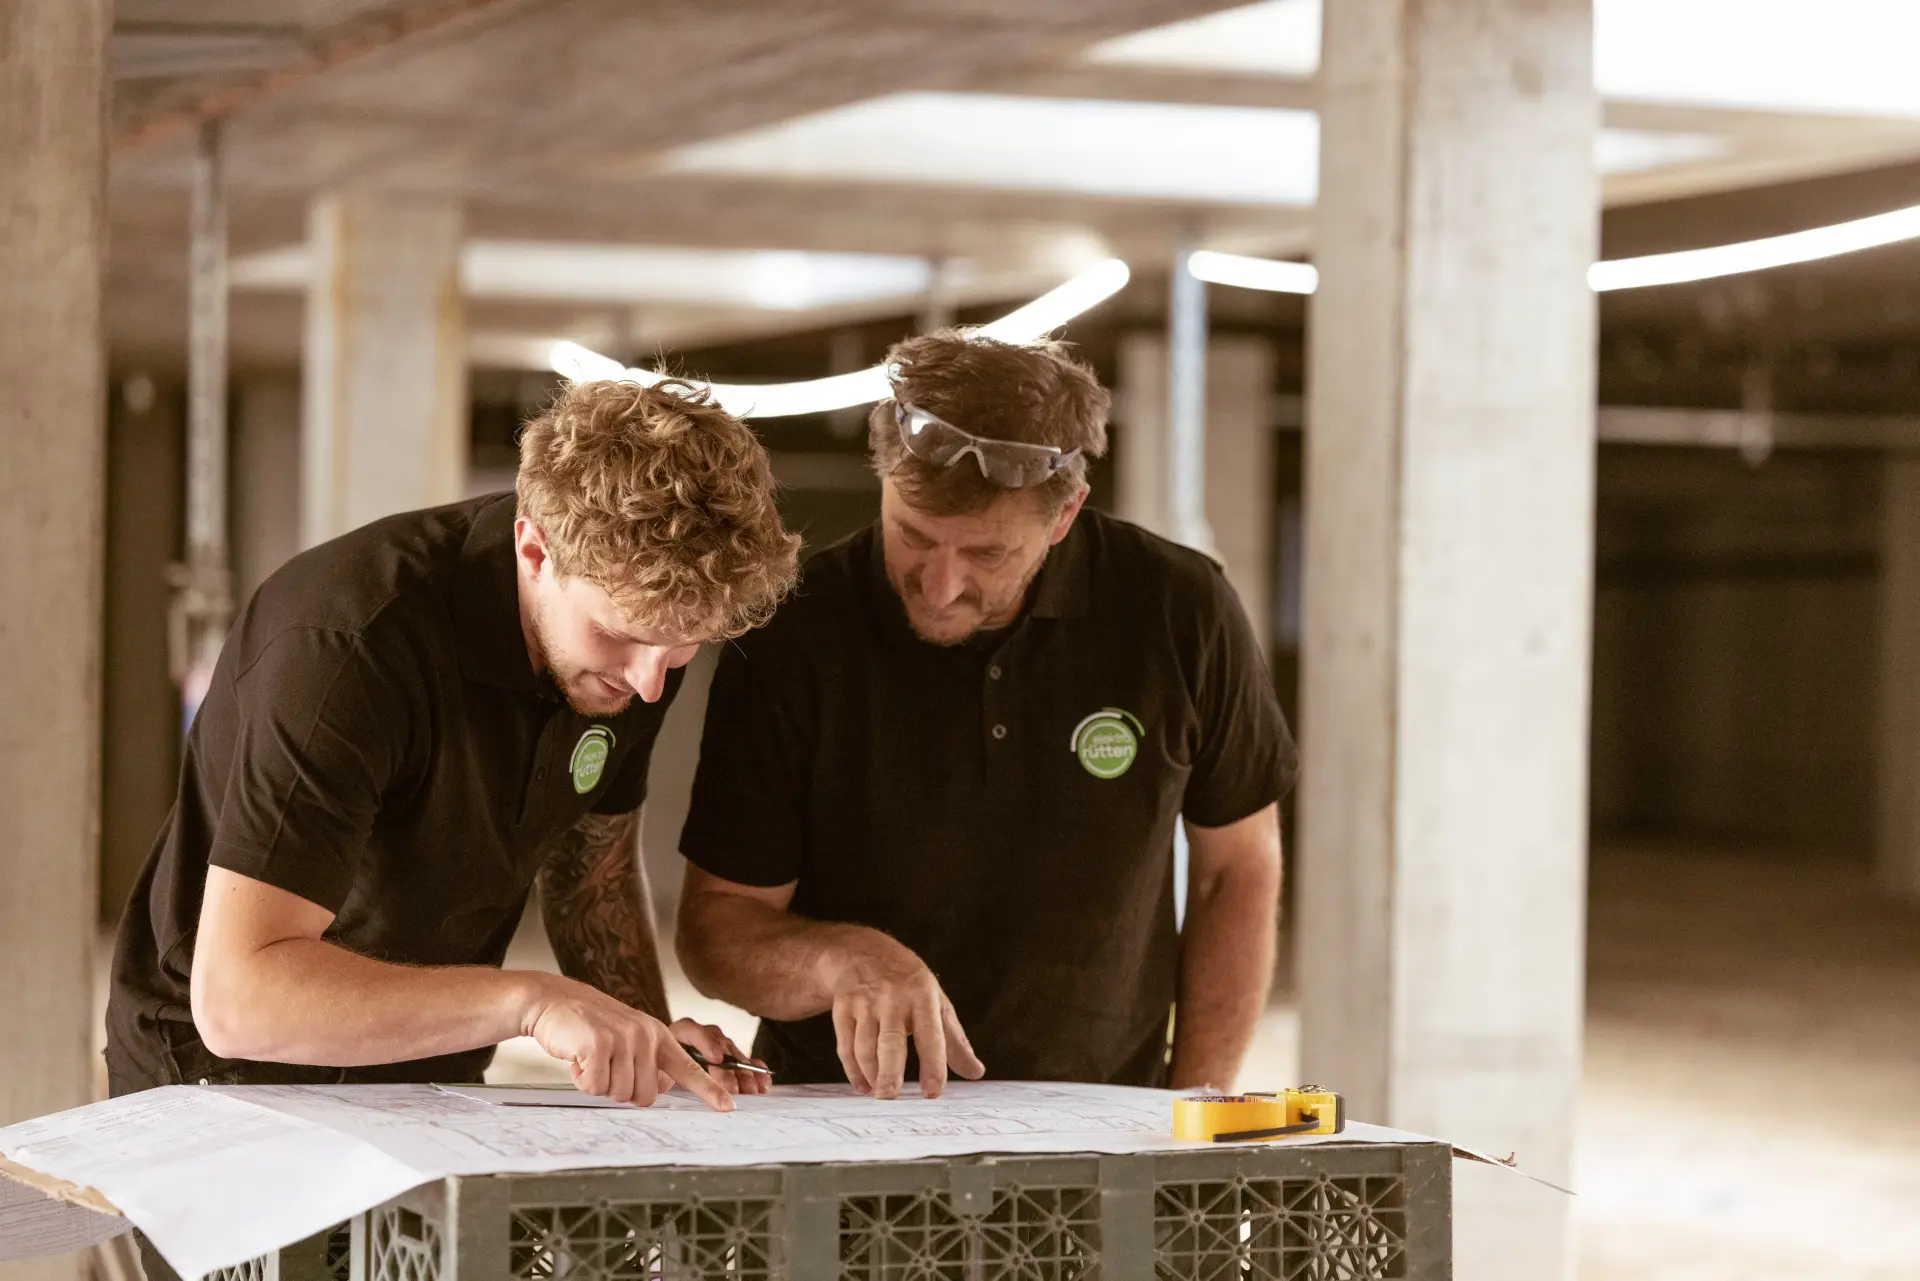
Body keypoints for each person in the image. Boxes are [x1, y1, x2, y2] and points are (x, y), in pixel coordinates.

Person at [106, 379, 800, 1123]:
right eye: (624, 634)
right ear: (535, 550)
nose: (650, 681)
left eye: (681, 645)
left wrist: (649, 1042)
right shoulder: (350, 646)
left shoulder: (632, 654)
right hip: (222, 1082)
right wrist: (530, 1001)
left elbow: (589, 876)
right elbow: (241, 996)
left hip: (426, 1070)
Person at [674, 332, 1298, 1102]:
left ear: (1065, 513)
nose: (939, 587)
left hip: (1103, 1115)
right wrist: (841, 959)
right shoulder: (794, 631)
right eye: (912, 536)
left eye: (987, 555)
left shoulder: (1179, 611)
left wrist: (1197, 1106)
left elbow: (1234, 872)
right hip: (841, 1120)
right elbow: (716, 929)